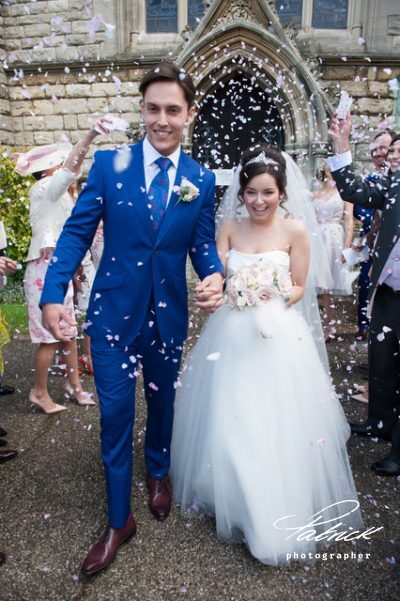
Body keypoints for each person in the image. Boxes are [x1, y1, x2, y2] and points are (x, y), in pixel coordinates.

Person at [39, 61, 224, 575]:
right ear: (141, 111)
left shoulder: (200, 179)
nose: (161, 119)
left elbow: (203, 243)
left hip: (167, 319)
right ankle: (119, 519)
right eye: (152, 108)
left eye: (172, 110)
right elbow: (76, 233)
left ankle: (158, 472)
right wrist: (54, 293)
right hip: (113, 317)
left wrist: (215, 276)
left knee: (162, 406)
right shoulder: (109, 165)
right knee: (115, 417)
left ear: (189, 115)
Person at [170, 144, 363, 565]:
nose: (259, 201)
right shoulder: (230, 230)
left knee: (276, 421)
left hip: (279, 335)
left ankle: (273, 512)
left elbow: (299, 286)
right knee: (232, 416)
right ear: (240, 193)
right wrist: (226, 289)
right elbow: (215, 278)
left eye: (268, 193)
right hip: (232, 336)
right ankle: (236, 498)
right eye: (251, 192)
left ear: (282, 193)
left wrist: (267, 292)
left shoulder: (295, 231)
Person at [15, 118, 110, 414]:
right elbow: (70, 170)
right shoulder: (44, 188)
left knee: (67, 331)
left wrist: (77, 269)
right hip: (43, 270)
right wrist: (90, 134)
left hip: (58, 268)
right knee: (50, 338)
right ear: (47, 170)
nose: (64, 167)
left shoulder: (59, 195)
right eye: (58, 164)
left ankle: (74, 385)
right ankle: (39, 392)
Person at [328, 112, 400, 477]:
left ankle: (398, 451)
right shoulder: (393, 186)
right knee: (382, 361)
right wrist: (341, 145)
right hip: (389, 292)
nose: (394, 159)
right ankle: (379, 422)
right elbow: (354, 191)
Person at [353, 129, 396, 341]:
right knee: (366, 286)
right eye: (375, 150)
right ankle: (367, 330)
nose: (378, 154)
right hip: (371, 244)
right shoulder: (370, 180)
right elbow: (359, 208)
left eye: (384, 149)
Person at [312, 164, 354, 341]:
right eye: (330, 170)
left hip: (335, 237)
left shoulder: (345, 192)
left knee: (330, 282)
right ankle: (322, 323)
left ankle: (331, 323)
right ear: (325, 171)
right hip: (317, 236)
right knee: (321, 284)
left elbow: (349, 221)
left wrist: (346, 247)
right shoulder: (316, 192)